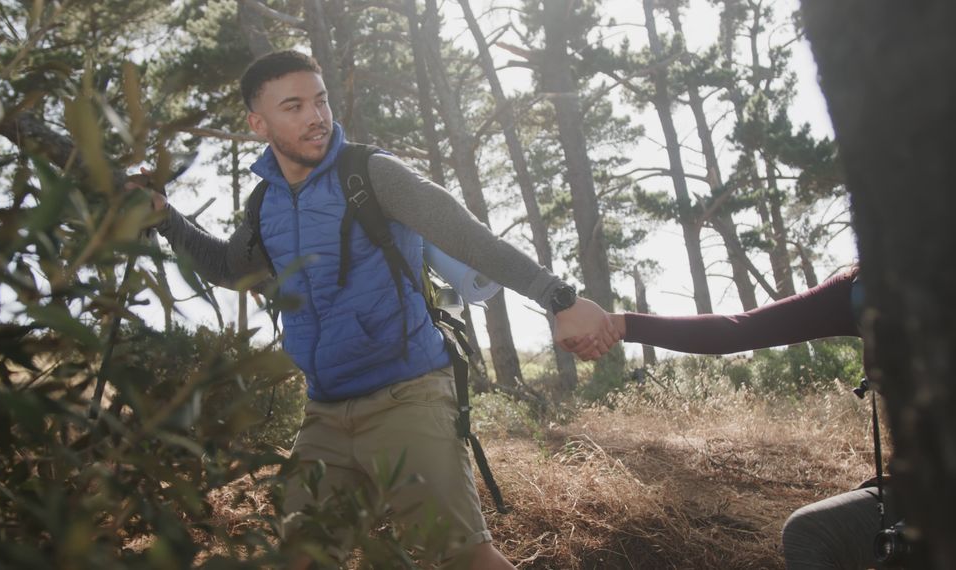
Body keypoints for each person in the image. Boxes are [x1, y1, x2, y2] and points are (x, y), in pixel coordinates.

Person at [133, 50, 618, 568]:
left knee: (464, 559)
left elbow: (470, 239)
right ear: (259, 123)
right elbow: (229, 267)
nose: (316, 117)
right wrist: (165, 219)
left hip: (407, 397)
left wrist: (558, 298)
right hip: (324, 413)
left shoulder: (372, 174)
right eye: (293, 107)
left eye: (320, 101)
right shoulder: (264, 205)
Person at [569, 265, 897, 569]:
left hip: (946, 494)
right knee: (809, 532)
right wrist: (621, 324)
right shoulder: (859, 290)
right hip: (915, 489)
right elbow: (738, 330)